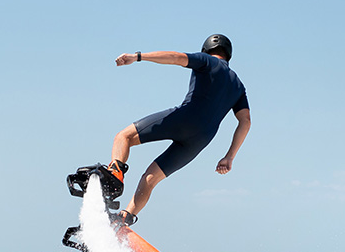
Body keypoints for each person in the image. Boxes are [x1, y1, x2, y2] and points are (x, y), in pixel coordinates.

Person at [106, 34, 251, 226]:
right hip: (201, 139)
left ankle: (115, 175)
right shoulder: (238, 86)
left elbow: (175, 57)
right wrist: (229, 156)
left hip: (185, 118)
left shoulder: (207, 61)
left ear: (206, 50)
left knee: (123, 137)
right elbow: (245, 121)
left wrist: (137, 56)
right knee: (150, 178)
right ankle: (126, 216)